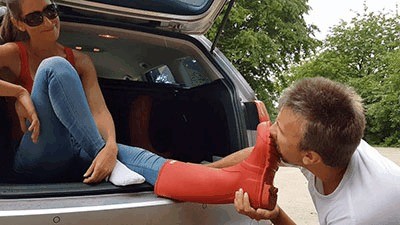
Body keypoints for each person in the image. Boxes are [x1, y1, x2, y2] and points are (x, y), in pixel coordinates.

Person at [0, 0, 280, 210]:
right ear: (21, 23)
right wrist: (18, 93)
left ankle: (247, 187)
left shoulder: (82, 61)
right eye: (36, 18)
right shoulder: (15, 54)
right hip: (35, 156)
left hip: (80, 157)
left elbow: (99, 111)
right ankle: (111, 159)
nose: (49, 22)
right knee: (55, 68)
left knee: (146, 161)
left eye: (51, 11)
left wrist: (109, 148)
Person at [228, 77, 400, 224]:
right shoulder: (333, 145)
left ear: (309, 157)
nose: (270, 131)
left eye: (279, 130)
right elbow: (261, 151)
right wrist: (276, 214)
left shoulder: (352, 216)